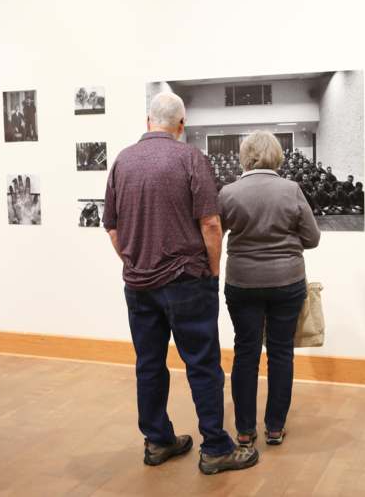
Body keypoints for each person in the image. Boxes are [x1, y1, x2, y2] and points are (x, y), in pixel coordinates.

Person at [103, 92, 258, 475]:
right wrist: (212, 269)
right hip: (187, 279)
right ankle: (216, 449)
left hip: (138, 284)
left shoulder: (122, 161)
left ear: (147, 121)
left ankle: (157, 441)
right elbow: (209, 224)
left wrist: (133, 261)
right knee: (203, 365)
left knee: (149, 364)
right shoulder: (191, 158)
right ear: (181, 125)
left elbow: (112, 226)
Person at [219, 130, 321, 449]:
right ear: (277, 155)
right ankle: (275, 428)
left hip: (242, 282)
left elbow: (214, 234)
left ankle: (245, 432)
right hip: (286, 282)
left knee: (245, 352)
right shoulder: (291, 190)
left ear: (245, 156)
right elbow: (313, 238)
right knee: (280, 352)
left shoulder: (229, 192)